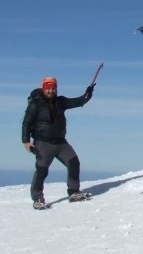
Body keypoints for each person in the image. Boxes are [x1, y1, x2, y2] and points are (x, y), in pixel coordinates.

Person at [22, 76, 94, 208]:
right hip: (43, 143)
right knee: (42, 170)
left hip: (61, 143)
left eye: (53, 88)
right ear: (43, 89)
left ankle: (74, 192)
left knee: (73, 162)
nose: (50, 91)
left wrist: (88, 93)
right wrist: (26, 141)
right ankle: (37, 199)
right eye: (48, 88)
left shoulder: (60, 102)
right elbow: (26, 122)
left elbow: (79, 101)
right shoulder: (35, 104)